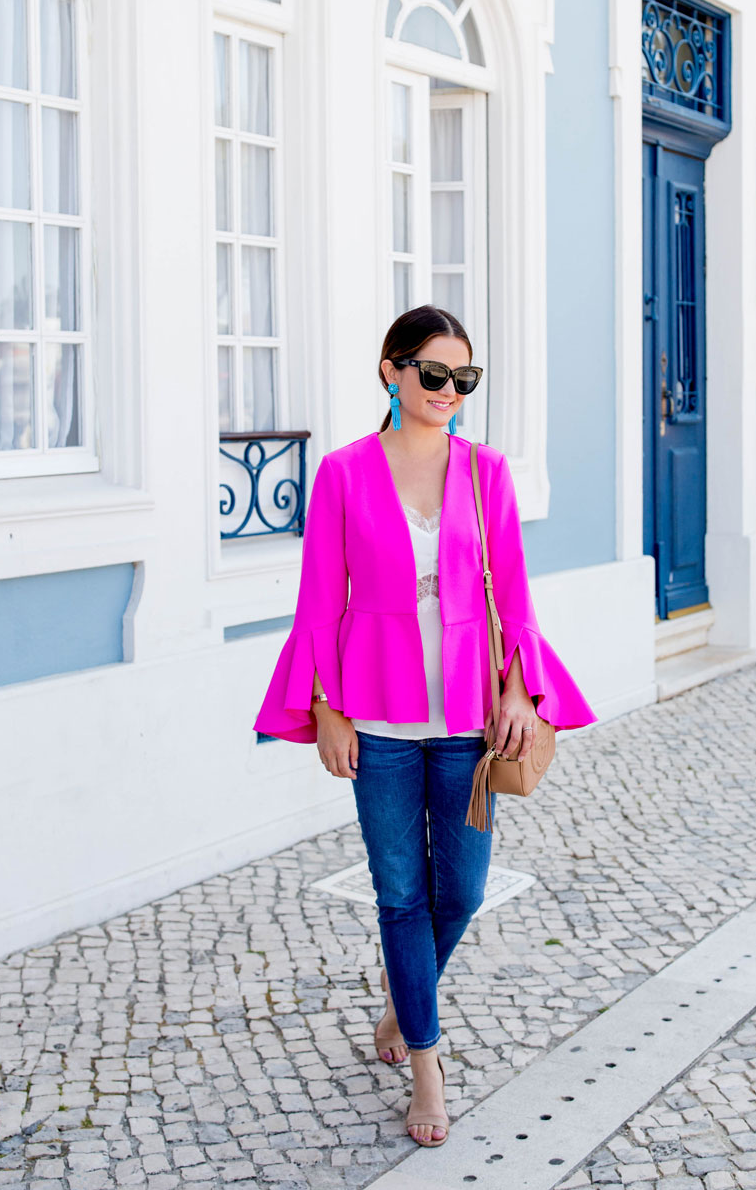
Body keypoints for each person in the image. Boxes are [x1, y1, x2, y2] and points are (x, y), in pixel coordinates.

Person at [254, 304, 597, 1147]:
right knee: (400, 895)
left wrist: (520, 693)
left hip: (470, 719)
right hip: (375, 721)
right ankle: (425, 1062)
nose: (449, 391)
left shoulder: (488, 472)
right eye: (433, 374)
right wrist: (327, 710)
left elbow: (513, 594)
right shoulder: (342, 472)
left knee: (464, 890)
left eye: (463, 378)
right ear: (392, 371)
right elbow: (317, 602)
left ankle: (401, 1001)